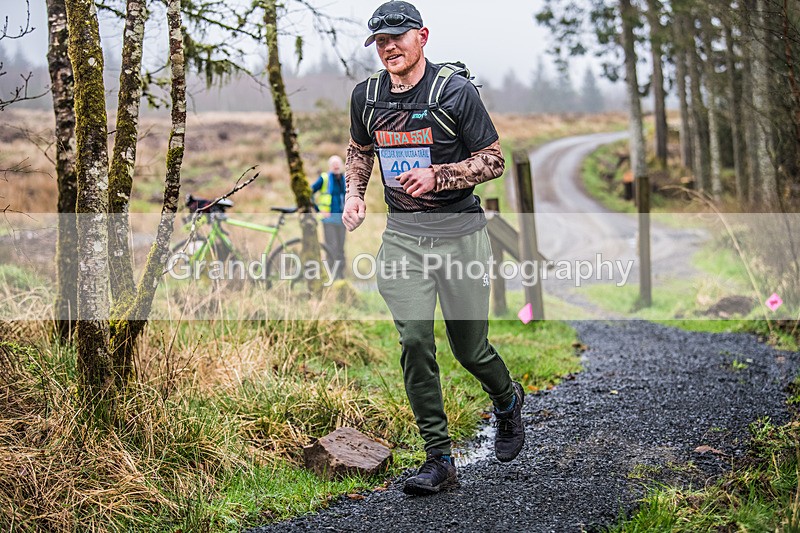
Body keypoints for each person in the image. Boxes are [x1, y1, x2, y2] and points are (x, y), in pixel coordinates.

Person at [342, 0, 524, 496]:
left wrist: (439, 175)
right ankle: (438, 458)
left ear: (422, 37)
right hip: (403, 240)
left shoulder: (454, 91)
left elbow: (492, 160)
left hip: (460, 236)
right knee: (416, 341)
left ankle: (507, 400)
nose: (389, 48)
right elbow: (360, 150)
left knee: (471, 350)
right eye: (380, 42)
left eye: (397, 38)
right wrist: (354, 195)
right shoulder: (367, 96)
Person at [311, 155, 347, 279]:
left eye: (338, 164)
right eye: (333, 164)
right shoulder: (324, 178)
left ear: (342, 166)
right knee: (331, 247)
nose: (336, 166)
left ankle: (341, 276)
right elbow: (309, 191)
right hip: (329, 220)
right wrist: (318, 209)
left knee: (341, 249)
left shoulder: (345, 179)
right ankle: (331, 275)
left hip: (342, 220)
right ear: (330, 166)